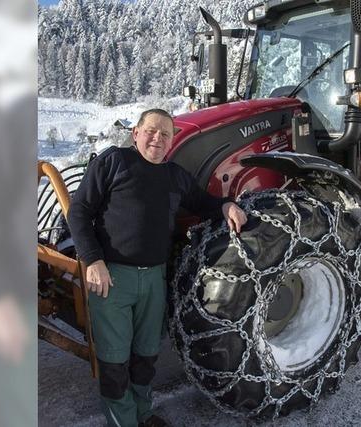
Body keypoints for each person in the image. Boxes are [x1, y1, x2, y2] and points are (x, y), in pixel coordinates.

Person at [67, 109, 247, 427]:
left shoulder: (175, 176)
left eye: (165, 134)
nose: (157, 138)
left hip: (153, 278)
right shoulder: (113, 162)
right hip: (112, 277)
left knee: (146, 354)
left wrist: (227, 205)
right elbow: (79, 210)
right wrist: (92, 260)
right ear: (136, 133)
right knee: (114, 358)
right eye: (151, 130)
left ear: (172, 141)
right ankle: (122, 420)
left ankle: (143, 413)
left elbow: (203, 203)